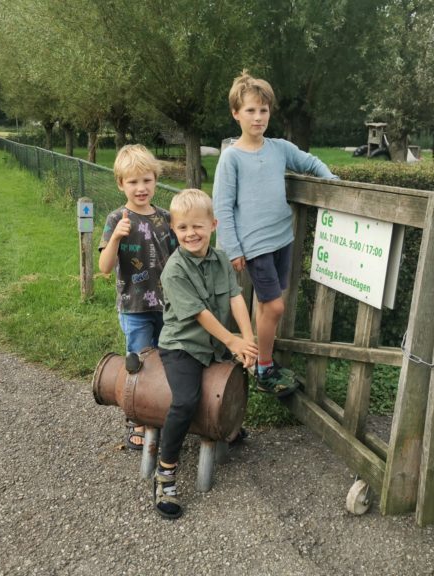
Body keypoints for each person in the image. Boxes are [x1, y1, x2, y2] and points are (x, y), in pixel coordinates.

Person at [212, 70, 338, 396]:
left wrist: (335, 186)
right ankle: (265, 368)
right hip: (254, 245)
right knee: (277, 306)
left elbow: (310, 163)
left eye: (263, 110)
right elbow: (223, 207)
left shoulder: (279, 148)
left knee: (267, 306)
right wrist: (233, 248)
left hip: (283, 236)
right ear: (236, 114)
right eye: (250, 111)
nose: (258, 117)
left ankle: (255, 358)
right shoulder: (231, 158)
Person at [155, 188, 257, 519]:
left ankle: (227, 424)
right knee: (184, 400)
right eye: (183, 227)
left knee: (236, 379)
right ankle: (166, 471)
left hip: (216, 343)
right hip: (182, 346)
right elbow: (201, 314)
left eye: (198, 226)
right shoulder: (174, 270)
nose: (191, 234)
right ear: (173, 228)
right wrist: (232, 341)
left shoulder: (221, 260)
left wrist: (248, 340)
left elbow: (235, 298)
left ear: (213, 225)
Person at [98, 144, 177, 450]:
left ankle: (161, 409)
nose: (141, 188)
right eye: (133, 182)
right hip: (135, 308)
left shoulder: (166, 218)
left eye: (147, 180)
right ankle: (138, 419)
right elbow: (104, 269)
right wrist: (116, 237)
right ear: (121, 184)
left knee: (167, 358)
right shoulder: (116, 217)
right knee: (139, 363)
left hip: (167, 307)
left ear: (155, 180)